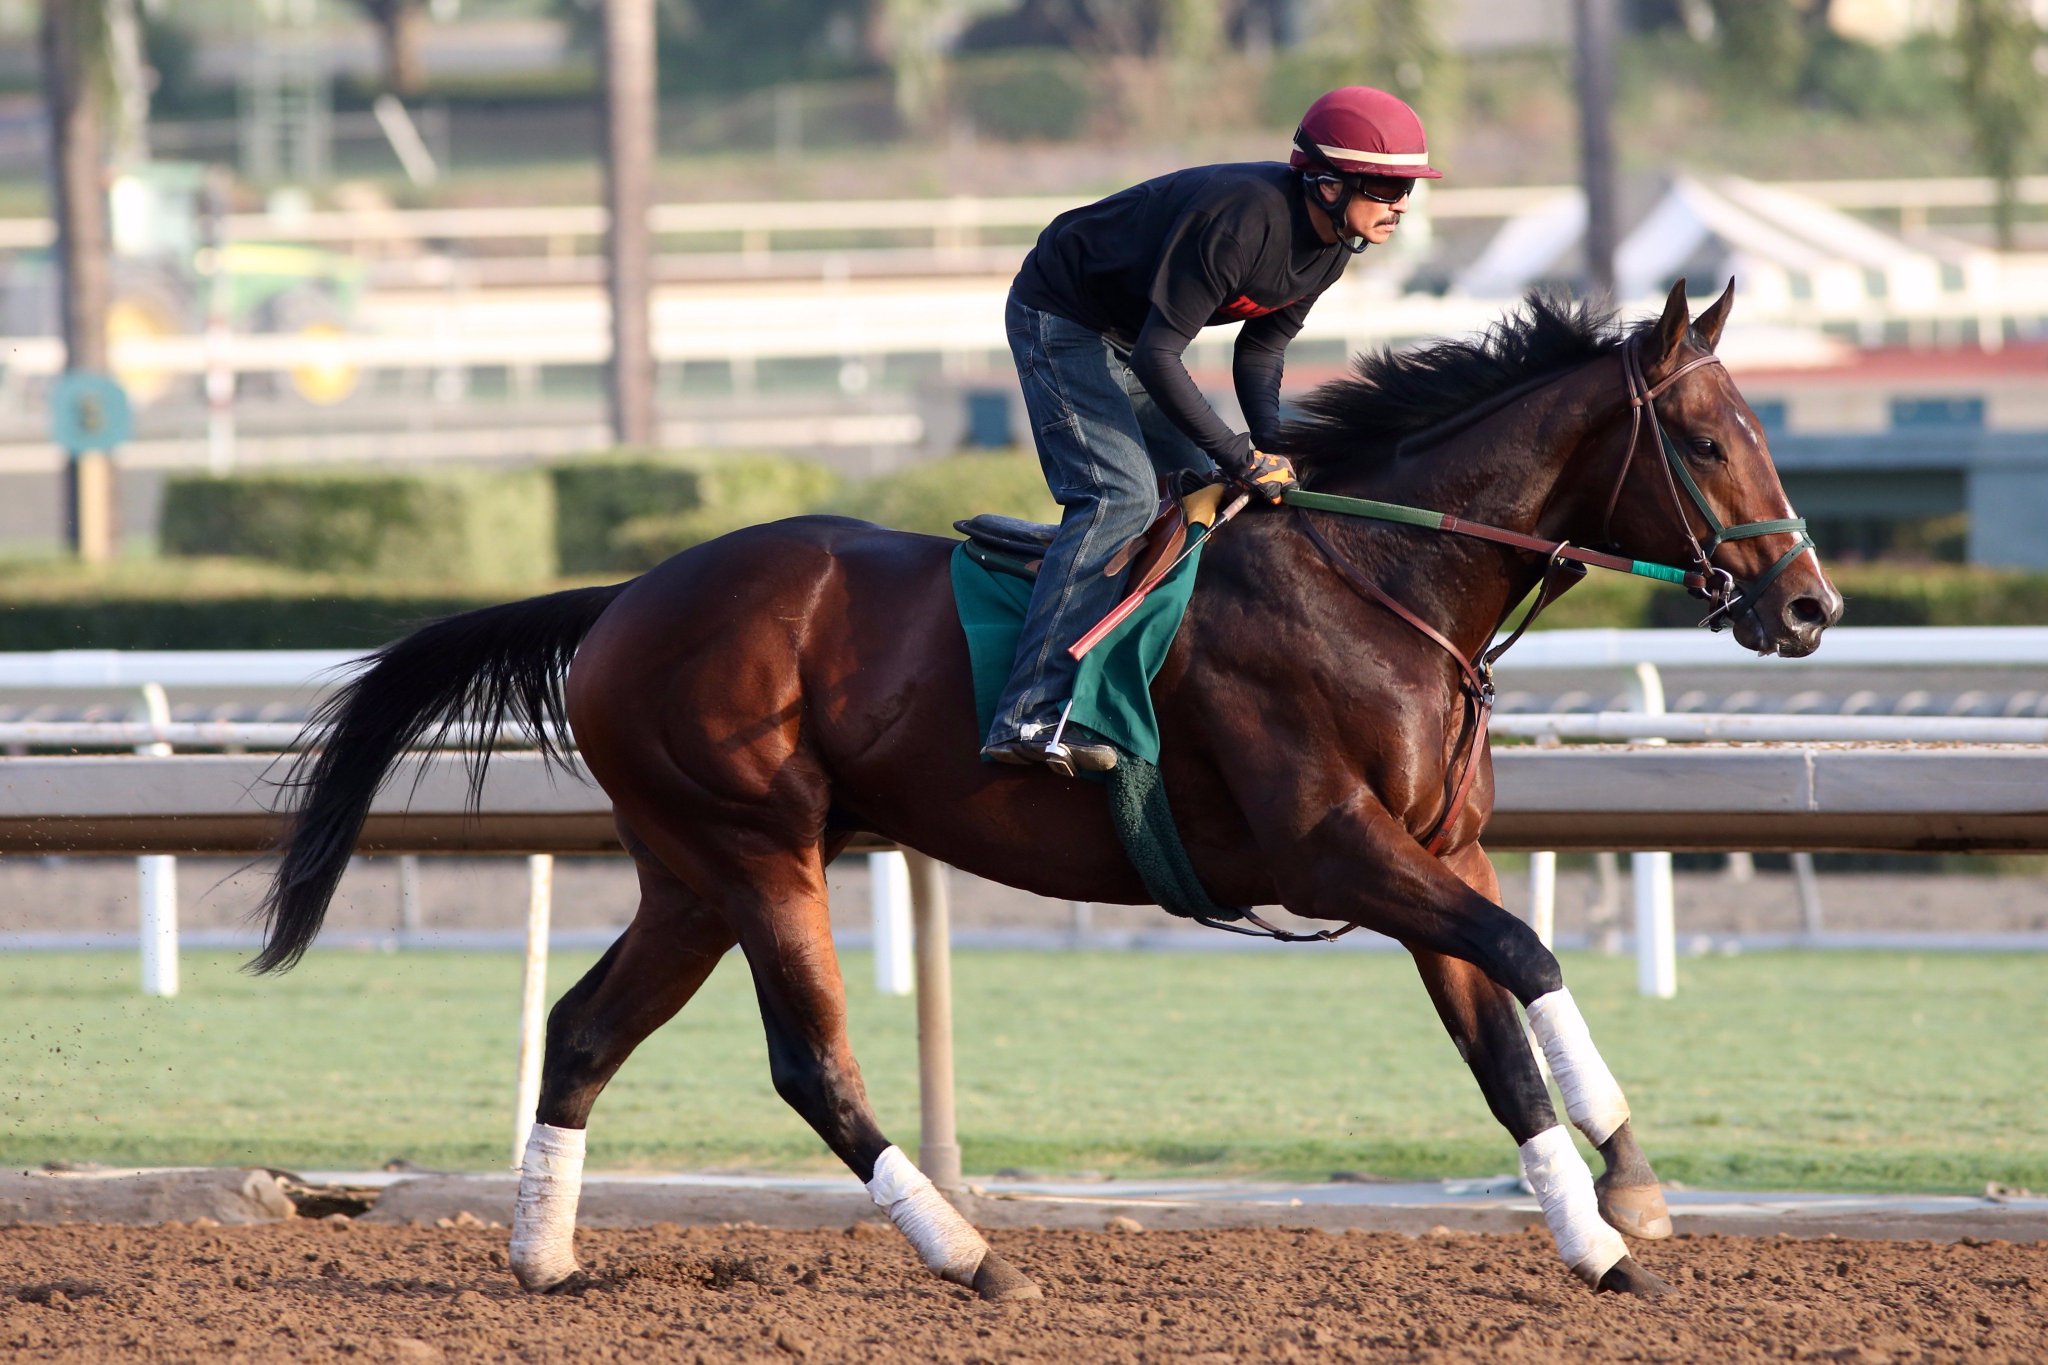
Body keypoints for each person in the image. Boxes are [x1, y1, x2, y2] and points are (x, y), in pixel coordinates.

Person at [980, 86, 1441, 772]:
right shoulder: (1241, 223)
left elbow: (1260, 352)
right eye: (1385, 185)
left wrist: (1269, 451)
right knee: (1122, 497)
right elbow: (1158, 357)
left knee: (1219, 489)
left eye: (1407, 187)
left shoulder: (1335, 245)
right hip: (1063, 317)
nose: (1400, 203)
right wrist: (1239, 451)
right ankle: (1028, 713)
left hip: (1133, 336)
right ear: (1325, 182)